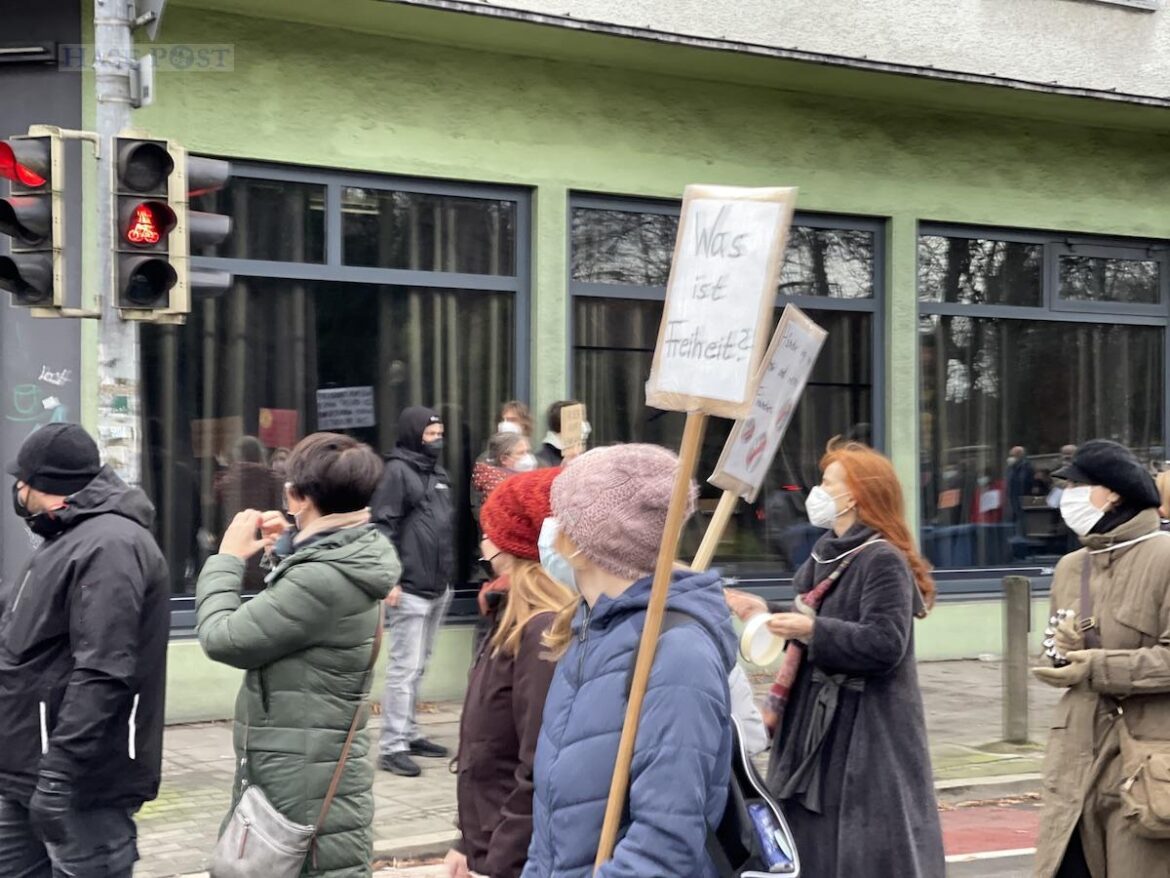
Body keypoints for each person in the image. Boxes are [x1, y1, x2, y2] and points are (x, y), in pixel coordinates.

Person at [729, 439, 945, 877]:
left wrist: (812, 630)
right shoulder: (824, 553)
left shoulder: (882, 559)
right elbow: (813, 617)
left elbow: (886, 643)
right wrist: (765, 613)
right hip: (813, 723)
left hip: (867, 729)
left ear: (856, 494)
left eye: (829, 483)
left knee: (864, 848)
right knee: (813, 843)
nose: (819, 491)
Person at [521, 444, 736, 878]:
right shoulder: (589, 630)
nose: (549, 530)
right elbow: (555, 822)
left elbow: (664, 844)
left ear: (583, 544)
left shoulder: (677, 657)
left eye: (560, 517)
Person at [196, 432, 397, 877]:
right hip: (306, 761)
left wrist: (226, 559)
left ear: (296, 496)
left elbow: (221, 637)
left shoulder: (322, 580)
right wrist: (287, 545)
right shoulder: (350, 554)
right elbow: (298, 615)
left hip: (300, 774)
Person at [0, 423, 170, 876]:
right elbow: (29, 638)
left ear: (47, 487)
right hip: (24, 771)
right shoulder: (66, 538)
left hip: (80, 784)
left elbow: (103, 670)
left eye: (23, 480)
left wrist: (59, 775)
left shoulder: (110, 545)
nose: (17, 489)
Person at [1031, 440, 1170, 878]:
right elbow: (1056, 649)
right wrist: (1058, 653)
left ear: (1111, 493)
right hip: (1075, 757)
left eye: (1076, 484)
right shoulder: (1072, 567)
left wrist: (1094, 666)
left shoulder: (1164, 559)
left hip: (1144, 760)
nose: (1066, 495)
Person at [445, 467, 573, 878]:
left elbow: (538, 766)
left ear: (509, 542)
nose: (482, 544)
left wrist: (500, 860)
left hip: (516, 857)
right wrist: (466, 841)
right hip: (492, 841)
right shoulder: (509, 615)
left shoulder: (541, 630)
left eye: (489, 530)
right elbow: (486, 744)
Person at [372, 406, 456, 776]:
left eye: (439, 433)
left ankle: (409, 732)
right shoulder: (396, 471)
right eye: (431, 433)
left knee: (419, 667)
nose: (437, 439)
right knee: (403, 669)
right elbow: (382, 527)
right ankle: (392, 746)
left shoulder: (436, 471)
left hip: (439, 585)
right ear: (413, 433)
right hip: (409, 588)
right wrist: (389, 578)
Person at [217, 435, 285, 590]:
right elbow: (282, 517)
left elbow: (216, 523)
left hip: (234, 550)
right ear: (261, 455)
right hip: (266, 550)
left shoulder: (225, 483)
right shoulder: (274, 481)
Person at [471, 431, 537, 525]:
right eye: (521, 453)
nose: (527, 458)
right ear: (504, 459)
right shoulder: (498, 487)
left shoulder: (520, 480)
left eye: (528, 452)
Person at [535, 400, 590, 468]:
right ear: (565, 426)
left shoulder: (584, 457)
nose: (584, 426)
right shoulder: (543, 461)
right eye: (580, 420)